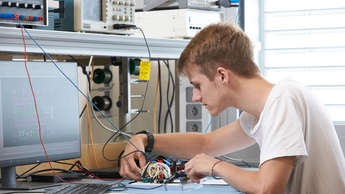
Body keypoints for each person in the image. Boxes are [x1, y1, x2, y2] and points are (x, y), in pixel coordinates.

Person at [119, 22, 345, 193]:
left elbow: (266, 188)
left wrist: (215, 166)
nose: (196, 97)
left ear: (222, 76)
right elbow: (205, 143)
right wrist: (144, 139)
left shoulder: (283, 99)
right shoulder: (260, 112)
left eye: (197, 85)